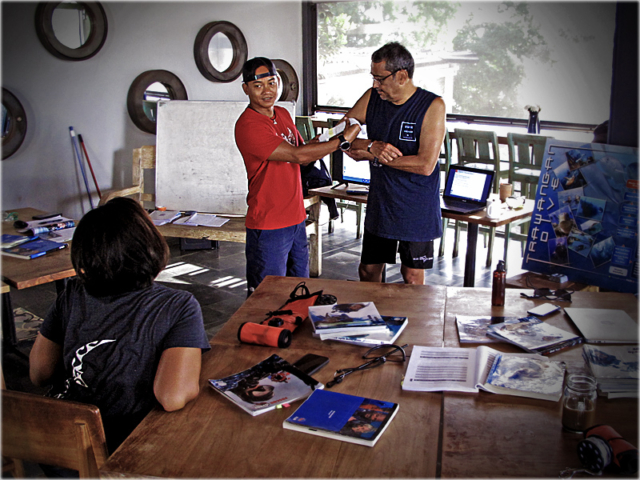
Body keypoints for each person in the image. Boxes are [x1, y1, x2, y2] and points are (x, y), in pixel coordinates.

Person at [29, 197, 210, 455]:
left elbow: (39, 373)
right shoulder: (178, 306)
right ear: (152, 248)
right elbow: (172, 398)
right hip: (126, 452)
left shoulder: (72, 294)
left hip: (60, 447)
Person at [235, 57, 360, 295]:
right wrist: (342, 141)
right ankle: (265, 333)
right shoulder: (249, 125)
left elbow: (306, 151)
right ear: (246, 89)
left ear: (278, 82)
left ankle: (293, 332)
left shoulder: (281, 114)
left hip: (295, 217)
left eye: (271, 83)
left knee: (299, 289)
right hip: (269, 222)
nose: (267, 91)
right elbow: (297, 156)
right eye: (258, 85)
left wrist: (332, 135)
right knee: (268, 296)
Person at [342, 42, 447, 285]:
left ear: (402, 76)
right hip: (382, 201)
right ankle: (370, 320)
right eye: (373, 78)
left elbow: (425, 165)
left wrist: (373, 155)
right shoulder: (372, 98)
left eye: (380, 79)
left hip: (416, 206)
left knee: (411, 276)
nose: (375, 85)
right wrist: (369, 145)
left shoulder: (433, 105)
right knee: (368, 270)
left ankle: (410, 323)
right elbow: (342, 133)